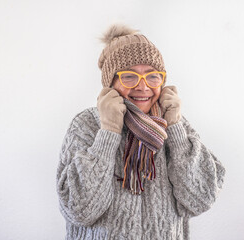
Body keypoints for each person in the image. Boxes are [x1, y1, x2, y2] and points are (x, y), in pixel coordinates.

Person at [56, 24, 226, 240]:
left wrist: (175, 127)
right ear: (110, 83)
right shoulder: (86, 125)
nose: (143, 87)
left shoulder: (175, 127)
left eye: (152, 76)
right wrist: (108, 131)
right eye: (129, 76)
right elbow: (79, 210)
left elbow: (200, 200)